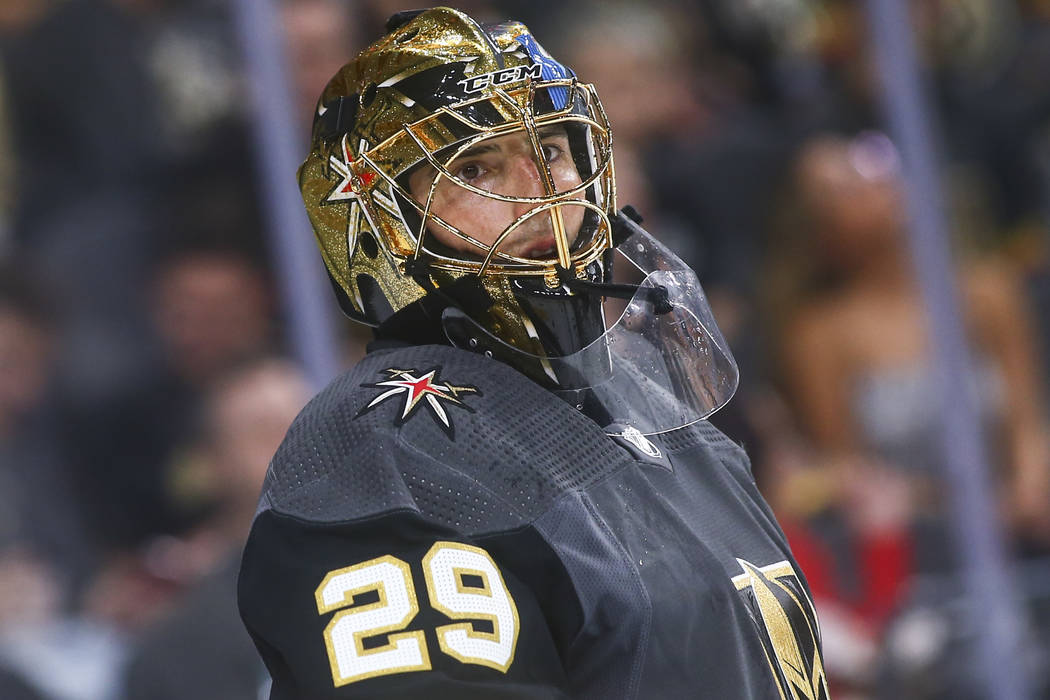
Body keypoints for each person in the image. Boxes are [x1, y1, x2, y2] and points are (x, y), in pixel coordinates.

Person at [238, 7, 828, 698]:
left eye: (549, 150)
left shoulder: (667, 423)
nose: (541, 195)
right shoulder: (388, 450)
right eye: (477, 165)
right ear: (382, 221)